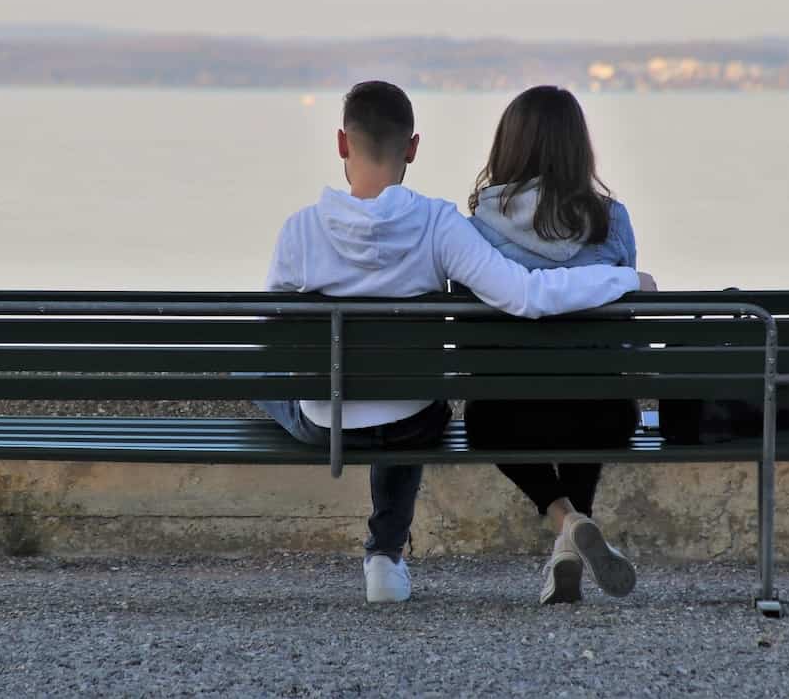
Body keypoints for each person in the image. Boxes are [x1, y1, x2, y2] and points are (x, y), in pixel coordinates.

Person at [258, 81, 648, 604]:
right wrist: (625, 280)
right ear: (412, 147)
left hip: (332, 422)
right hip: (428, 420)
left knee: (263, 378)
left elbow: (273, 330)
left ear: (341, 143)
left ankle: (556, 527)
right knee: (412, 403)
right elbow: (526, 295)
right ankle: (388, 557)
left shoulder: (300, 231)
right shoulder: (442, 225)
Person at [464, 85, 646, 605]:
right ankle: (571, 536)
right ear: (578, 148)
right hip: (605, 416)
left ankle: (568, 524)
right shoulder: (613, 221)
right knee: (593, 390)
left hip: (505, 418)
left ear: (508, 146)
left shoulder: (477, 225)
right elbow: (627, 328)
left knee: (485, 421)